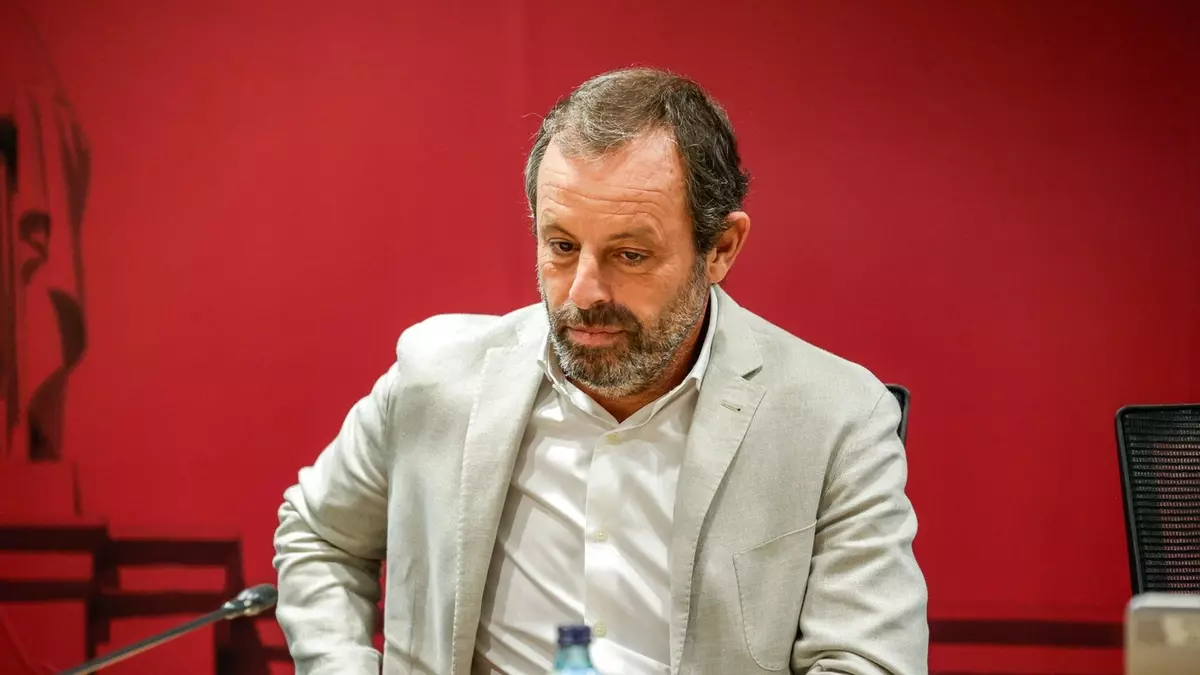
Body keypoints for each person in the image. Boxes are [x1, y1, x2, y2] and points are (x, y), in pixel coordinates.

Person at [273, 67, 928, 675]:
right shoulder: (437, 377)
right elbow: (318, 536)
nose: (583, 292)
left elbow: (865, 661)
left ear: (721, 248)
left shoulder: (836, 420)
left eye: (630, 254)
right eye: (561, 245)